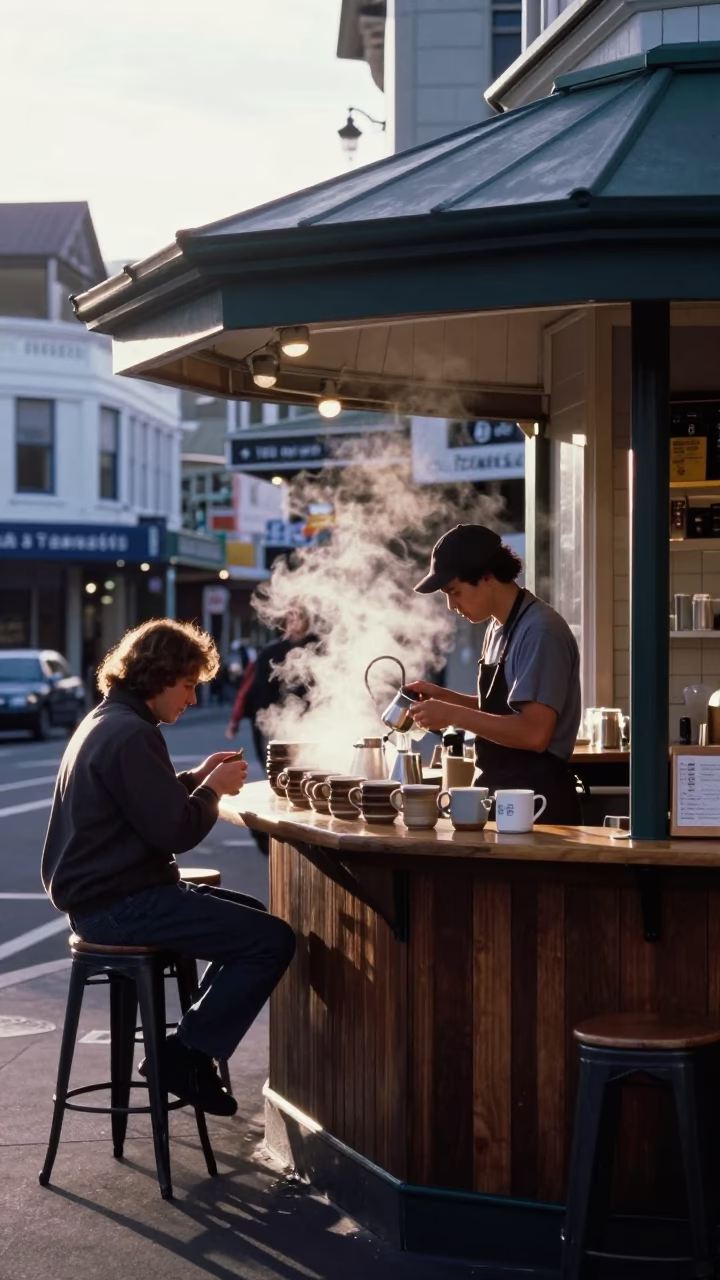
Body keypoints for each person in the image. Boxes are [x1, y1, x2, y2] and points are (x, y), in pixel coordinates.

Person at [41, 618, 296, 1116]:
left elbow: (140, 801)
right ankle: (181, 1054)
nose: (194, 699)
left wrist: (194, 778)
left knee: (249, 917)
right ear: (158, 677)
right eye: (188, 686)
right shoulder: (132, 733)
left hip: (103, 898)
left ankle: (189, 1046)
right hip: (120, 904)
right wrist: (212, 790)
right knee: (272, 940)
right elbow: (175, 832)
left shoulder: (108, 719)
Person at [408, 524, 582, 825]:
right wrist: (444, 698)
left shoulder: (541, 631)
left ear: (487, 578)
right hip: (500, 793)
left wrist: (452, 715)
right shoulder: (497, 627)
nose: (451, 605)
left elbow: (533, 733)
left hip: (537, 805)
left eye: (455, 592)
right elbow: (503, 709)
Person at [226, 608, 317, 765]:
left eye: (300, 614)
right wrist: (240, 719)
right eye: (291, 614)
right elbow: (255, 690)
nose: (294, 619)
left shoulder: (319, 649)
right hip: (274, 722)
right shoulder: (270, 652)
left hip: (311, 722)